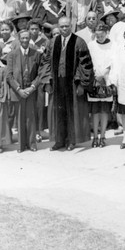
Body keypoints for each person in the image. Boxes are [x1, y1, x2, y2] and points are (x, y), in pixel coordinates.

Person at [47, 16, 94, 151]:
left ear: (71, 26)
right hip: (56, 82)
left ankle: (72, 141)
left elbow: (85, 65)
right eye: (61, 26)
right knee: (58, 111)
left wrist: (81, 84)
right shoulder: (52, 42)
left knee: (72, 111)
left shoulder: (79, 42)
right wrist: (47, 80)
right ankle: (59, 140)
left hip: (73, 83)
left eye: (66, 26)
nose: (64, 28)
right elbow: (45, 62)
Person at [5, 29, 42, 152]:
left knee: (30, 117)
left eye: (27, 38)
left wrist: (32, 87)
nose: (25, 40)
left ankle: (32, 144)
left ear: (30, 38)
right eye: (23, 38)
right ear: (19, 39)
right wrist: (18, 89)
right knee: (20, 118)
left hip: (30, 90)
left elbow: (40, 74)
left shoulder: (36, 53)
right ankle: (21, 145)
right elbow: (9, 75)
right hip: (18, 91)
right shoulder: (12, 55)